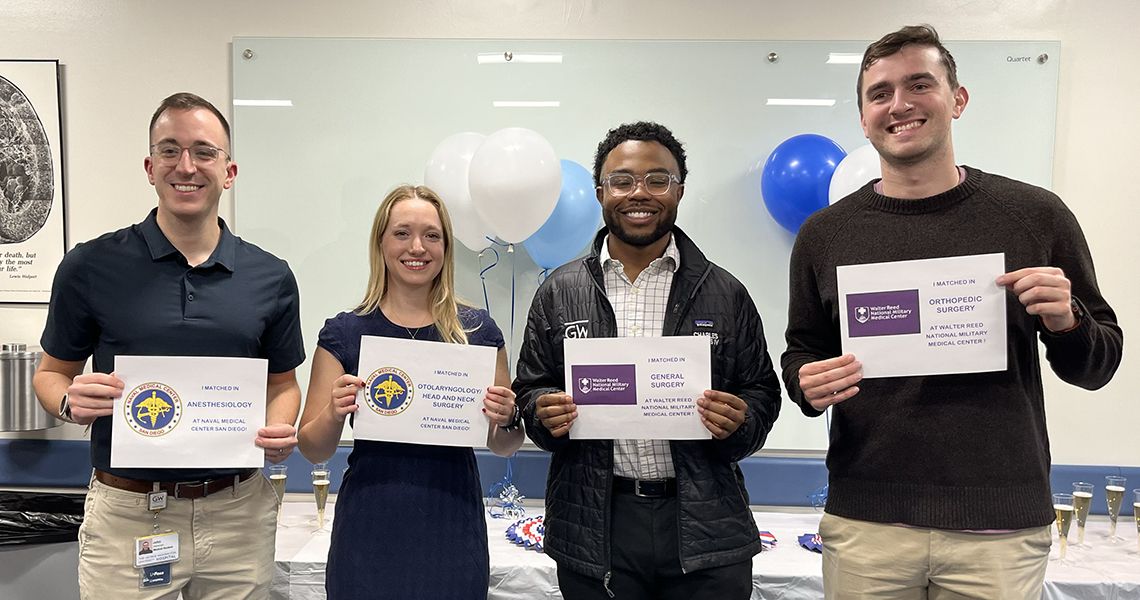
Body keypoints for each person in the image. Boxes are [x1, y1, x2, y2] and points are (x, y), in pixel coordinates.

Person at [782, 25, 1124, 599]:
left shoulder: (1035, 215)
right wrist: (805, 382)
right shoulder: (825, 234)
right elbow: (803, 350)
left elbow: (1098, 365)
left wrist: (1069, 323)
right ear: (863, 117)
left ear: (958, 99)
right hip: (868, 521)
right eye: (880, 93)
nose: (900, 105)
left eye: (920, 84)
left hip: (999, 526)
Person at [33, 92, 305, 598]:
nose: (187, 165)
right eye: (170, 150)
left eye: (204, 152)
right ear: (149, 166)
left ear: (229, 171)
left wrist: (281, 424)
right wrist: (71, 401)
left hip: (238, 513)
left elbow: (284, 384)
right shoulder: (89, 267)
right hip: (129, 514)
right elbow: (50, 376)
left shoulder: (271, 276)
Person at [513, 121, 783, 599]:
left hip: (707, 528)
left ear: (679, 190)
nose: (640, 193)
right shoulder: (558, 293)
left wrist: (742, 420)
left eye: (658, 179)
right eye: (622, 180)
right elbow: (530, 389)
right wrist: (541, 411)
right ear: (601, 192)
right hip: (595, 527)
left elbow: (761, 392)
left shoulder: (726, 291)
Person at [297, 184, 524, 600]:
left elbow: (506, 445)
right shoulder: (345, 332)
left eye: (431, 235)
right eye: (402, 233)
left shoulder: (477, 331)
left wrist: (506, 417)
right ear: (381, 242)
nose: (417, 247)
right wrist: (332, 412)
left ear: (445, 247)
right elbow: (313, 448)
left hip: (452, 524)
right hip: (368, 526)